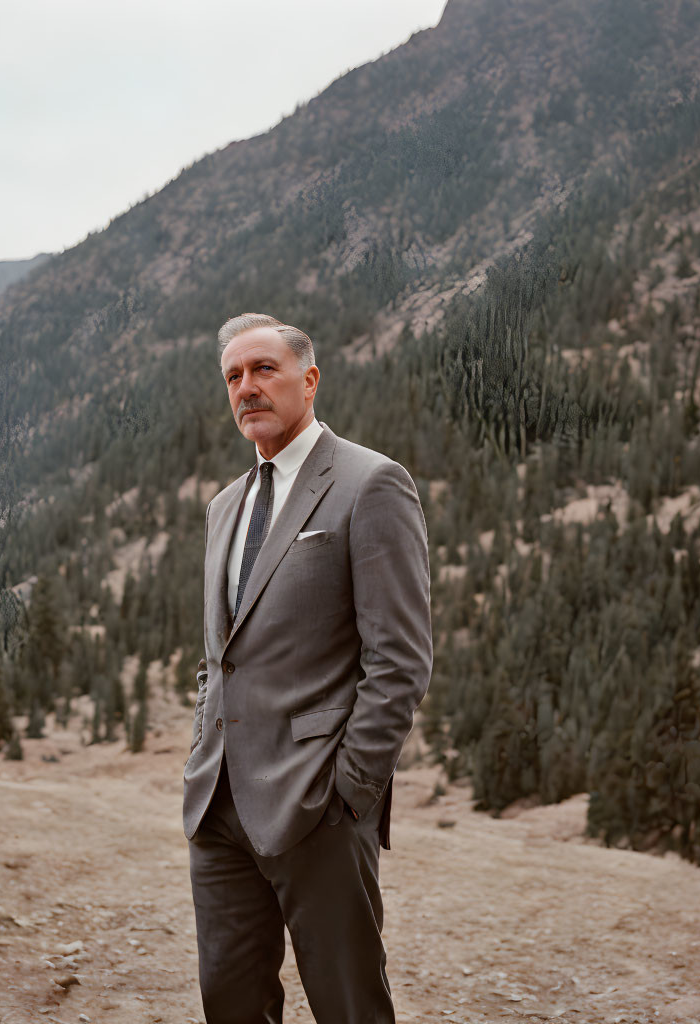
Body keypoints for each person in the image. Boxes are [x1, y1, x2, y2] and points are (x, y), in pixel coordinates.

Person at [182, 313, 433, 1023]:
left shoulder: (370, 483)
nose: (247, 387)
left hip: (319, 805)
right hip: (219, 809)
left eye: (265, 369)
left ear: (309, 379)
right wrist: (203, 753)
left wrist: (351, 792)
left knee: (348, 1006)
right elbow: (217, 657)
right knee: (230, 1003)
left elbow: (400, 660)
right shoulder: (225, 507)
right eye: (234, 377)